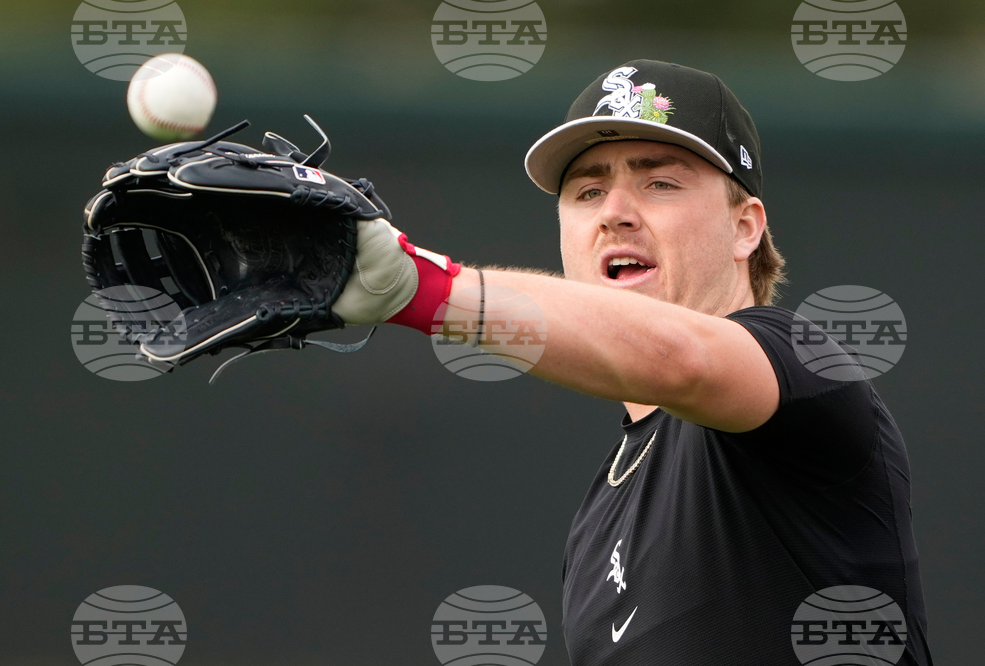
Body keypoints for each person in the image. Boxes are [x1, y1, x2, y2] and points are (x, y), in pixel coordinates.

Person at [331, 59, 933, 664]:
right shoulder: (598, 520)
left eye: (659, 183)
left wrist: (418, 287)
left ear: (744, 227)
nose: (612, 212)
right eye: (588, 191)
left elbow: (682, 357)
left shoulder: (800, 368)